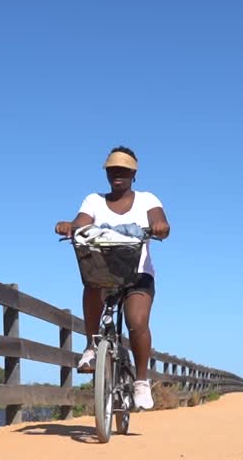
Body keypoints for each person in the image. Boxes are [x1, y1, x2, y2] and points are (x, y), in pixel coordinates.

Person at [54, 146, 171, 410]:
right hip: (103, 272)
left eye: (124, 171)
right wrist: (69, 227)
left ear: (134, 174)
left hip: (137, 274)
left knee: (136, 321)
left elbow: (158, 219)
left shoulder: (147, 199)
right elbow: (80, 221)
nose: (118, 174)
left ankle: (141, 381)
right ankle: (91, 347)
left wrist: (161, 227)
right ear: (107, 173)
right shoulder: (94, 201)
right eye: (113, 170)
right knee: (91, 283)